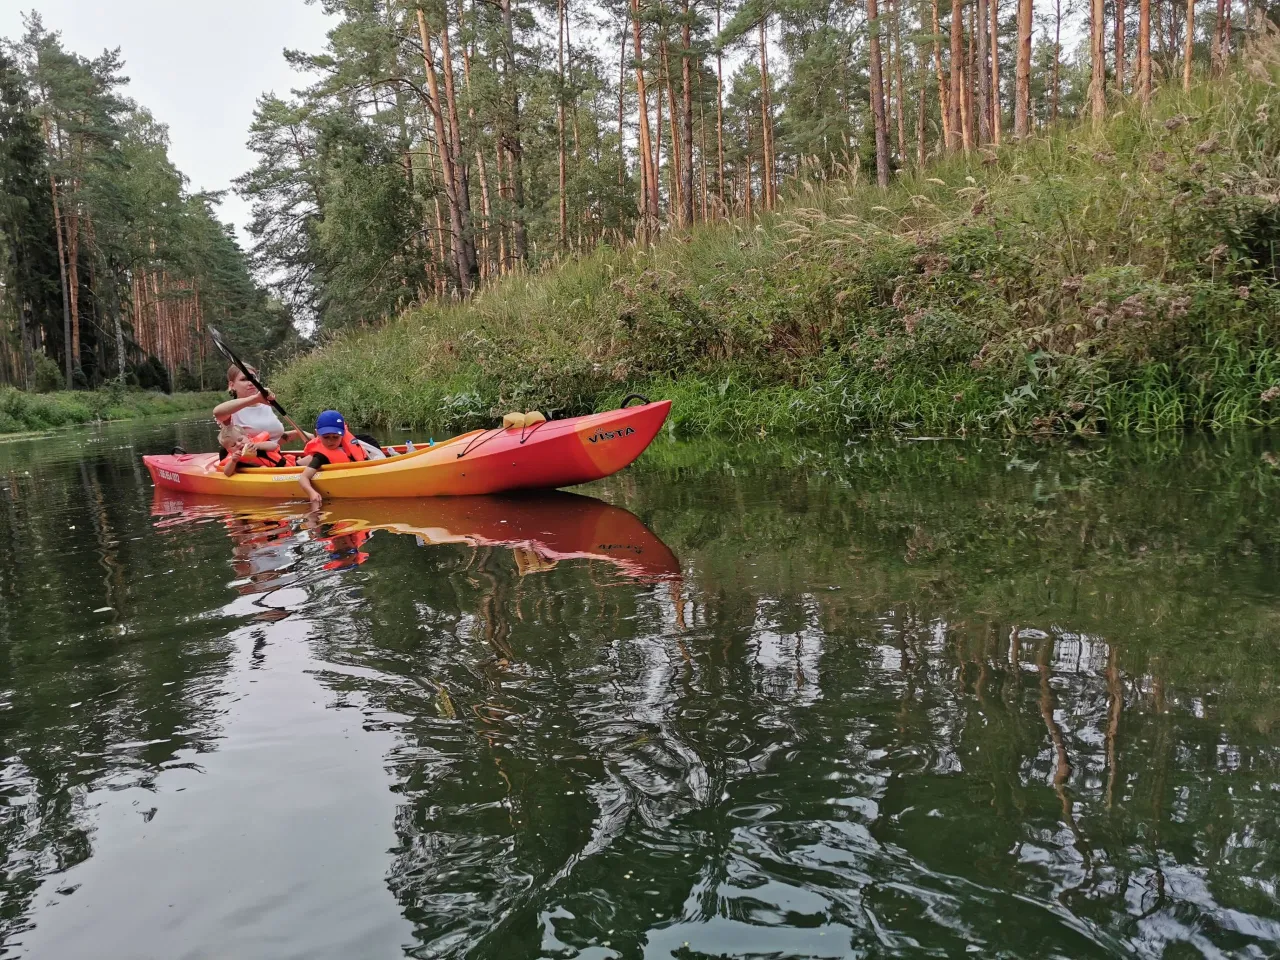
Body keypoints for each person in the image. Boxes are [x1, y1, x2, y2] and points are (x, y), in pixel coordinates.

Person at [212, 363, 306, 454]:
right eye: (244, 379)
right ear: (232, 385)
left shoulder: (265, 405)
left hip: (273, 459)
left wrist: (298, 433)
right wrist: (256, 398)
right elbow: (217, 412)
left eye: (253, 378)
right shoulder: (231, 410)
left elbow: (273, 440)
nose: (251, 383)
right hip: (249, 464)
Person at [297, 410, 369, 505]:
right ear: (317, 434)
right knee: (303, 462)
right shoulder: (321, 456)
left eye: (335, 437)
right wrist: (311, 493)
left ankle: (299, 460)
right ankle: (297, 461)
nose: (330, 441)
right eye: (326, 437)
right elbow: (303, 477)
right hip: (305, 465)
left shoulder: (352, 443)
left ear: (343, 433)